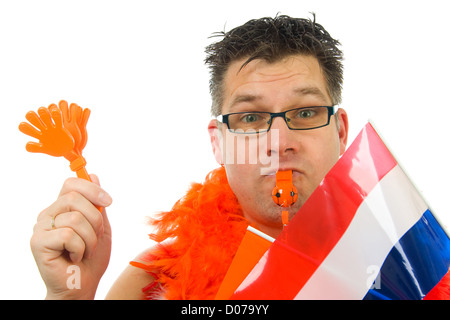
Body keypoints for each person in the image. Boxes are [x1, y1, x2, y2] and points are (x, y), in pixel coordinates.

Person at [30, 15, 349, 299]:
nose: (279, 143)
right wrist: (71, 294)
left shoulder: (395, 252)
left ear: (340, 132)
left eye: (306, 112)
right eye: (250, 118)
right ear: (219, 143)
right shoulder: (151, 285)